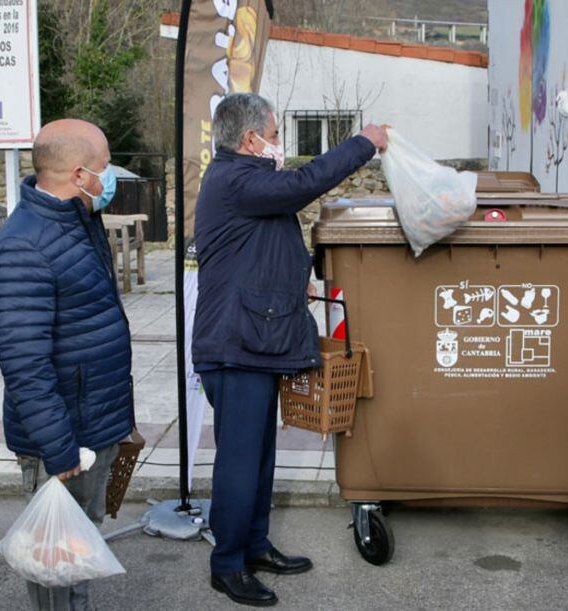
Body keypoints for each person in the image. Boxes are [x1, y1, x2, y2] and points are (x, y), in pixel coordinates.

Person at [192, 93, 387, 607]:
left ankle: (254, 545)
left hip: (254, 339)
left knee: (258, 455)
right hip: (234, 346)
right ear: (250, 139)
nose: (279, 145)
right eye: (276, 135)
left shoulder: (244, 181)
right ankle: (227, 564)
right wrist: (364, 142)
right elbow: (303, 184)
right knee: (238, 460)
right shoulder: (236, 179)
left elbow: (260, 244)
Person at [0, 119, 133, 610]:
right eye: (105, 168)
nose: (110, 179)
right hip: (64, 438)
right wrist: (58, 449)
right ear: (79, 173)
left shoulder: (79, 219)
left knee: (80, 546)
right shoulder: (22, 247)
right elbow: (25, 365)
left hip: (95, 421)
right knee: (53, 558)